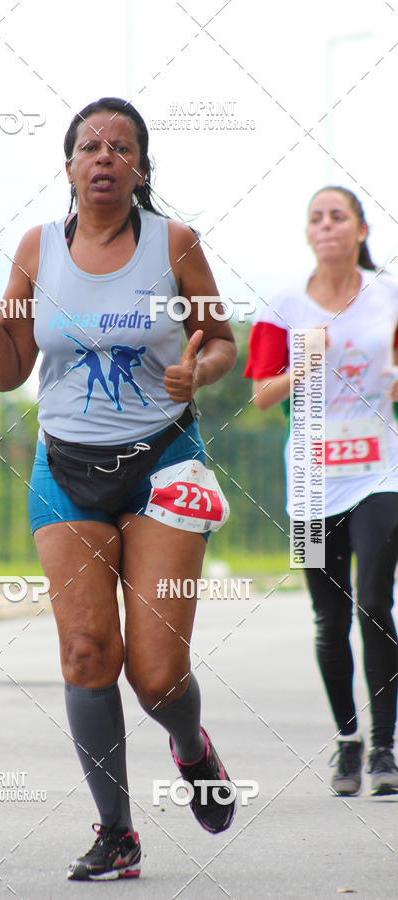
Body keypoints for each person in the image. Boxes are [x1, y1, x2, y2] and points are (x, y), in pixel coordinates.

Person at [0, 97, 237, 880]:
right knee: (87, 653)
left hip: (164, 467)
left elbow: (220, 339)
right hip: (64, 468)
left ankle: (191, 746)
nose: (105, 157)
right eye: (91, 146)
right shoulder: (35, 249)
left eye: (122, 147)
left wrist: (199, 369)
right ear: (71, 165)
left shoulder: (174, 244)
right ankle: (116, 832)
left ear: (141, 168)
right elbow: (10, 369)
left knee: (156, 676)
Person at [244, 186, 398, 797]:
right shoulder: (284, 305)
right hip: (309, 480)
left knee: (373, 603)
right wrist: (302, 365)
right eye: (316, 218)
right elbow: (259, 394)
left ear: (361, 230)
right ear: (307, 233)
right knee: (328, 620)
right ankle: (348, 743)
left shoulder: (389, 296)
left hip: (380, 470)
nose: (327, 225)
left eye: (339, 216)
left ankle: (386, 748)